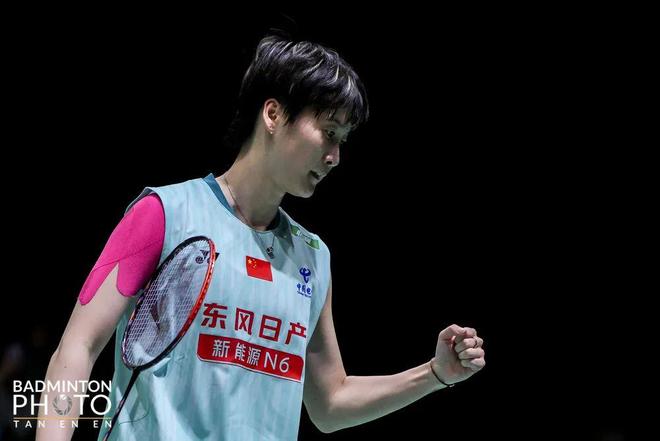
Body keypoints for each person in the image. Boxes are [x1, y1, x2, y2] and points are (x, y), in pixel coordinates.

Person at [37, 34, 486, 441]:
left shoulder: (312, 257)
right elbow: (77, 349)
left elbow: (330, 403)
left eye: (343, 141)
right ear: (273, 114)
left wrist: (434, 374)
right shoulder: (165, 214)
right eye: (329, 132)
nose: (335, 156)